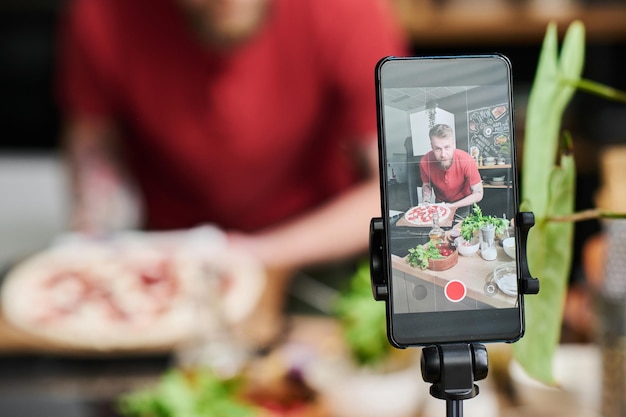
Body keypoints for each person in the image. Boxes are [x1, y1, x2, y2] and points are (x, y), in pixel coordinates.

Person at [56, 0, 407, 346]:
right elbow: (94, 146)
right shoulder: (101, 13)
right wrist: (95, 244)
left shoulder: (348, 9)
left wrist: (262, 252)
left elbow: (398, 187)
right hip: (173, 261)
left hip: (316, 250)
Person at [420, 124, 483, 219]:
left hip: (463, 202)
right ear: (432, 147)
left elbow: (478, 194)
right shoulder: (425, 162)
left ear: (454, 144)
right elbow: (427, 186)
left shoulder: (467, 160)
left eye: (447, 147)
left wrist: (453, 206)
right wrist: (425, 204)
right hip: (441, 202)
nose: (443, 154)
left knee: (459, 231)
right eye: (437, 149)